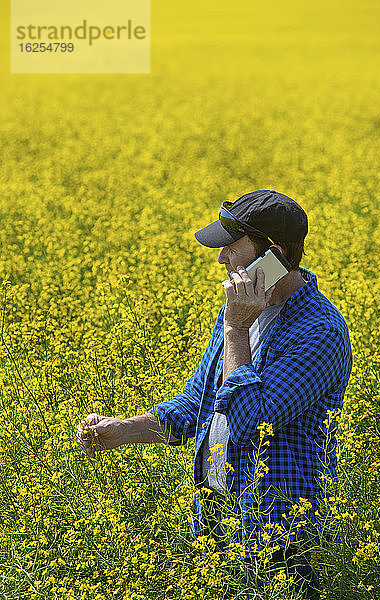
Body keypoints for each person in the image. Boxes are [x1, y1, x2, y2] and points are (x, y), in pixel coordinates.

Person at [77, 190, 353, 599]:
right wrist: (123, 431)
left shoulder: (318, 332)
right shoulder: (239, 310)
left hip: (280, 534)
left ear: (272, 255)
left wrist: (237, 329)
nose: (221, 259)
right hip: (219, 520)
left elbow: (248, 423)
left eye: (230, 246)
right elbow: (199, 404)